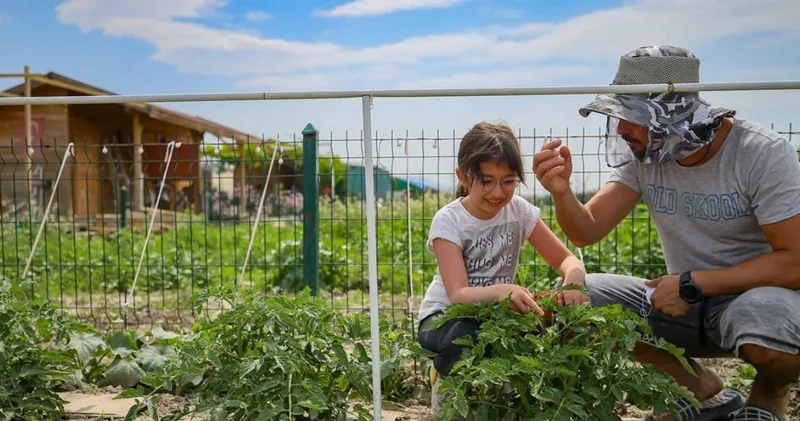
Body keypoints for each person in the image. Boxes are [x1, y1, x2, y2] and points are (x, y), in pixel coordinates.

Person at [532, 45, 800, 421]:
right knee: (578, 304)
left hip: (754, 302)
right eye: (617, 115)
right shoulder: (646, 154)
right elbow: (587, 230)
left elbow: (795, 263)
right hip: (680, 301)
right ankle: (700, 389)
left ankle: (769, 396)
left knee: (775, 329)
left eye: (632, 116)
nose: (621, 128)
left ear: (672, 115)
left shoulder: (762, 154)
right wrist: (561, 192)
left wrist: (694, 283)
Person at [417, 121, 590, 415]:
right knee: (467, 334)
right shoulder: (450, 220)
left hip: (497, 313)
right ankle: (446, 386)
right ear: (463, 176)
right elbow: (458, 294)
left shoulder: (519, 211)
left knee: (561, 320)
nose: (498, 192)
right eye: (486, 181)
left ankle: (528, 400)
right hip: (443, 319)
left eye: (508, 181)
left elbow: (568, 260)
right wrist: (502, 291)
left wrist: (574, 281)